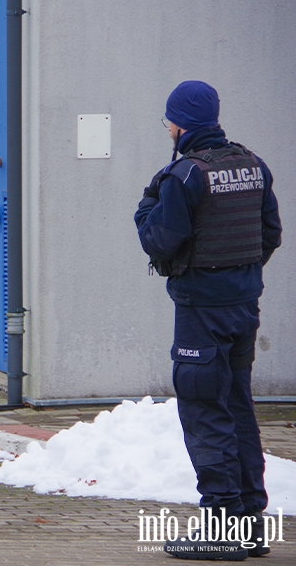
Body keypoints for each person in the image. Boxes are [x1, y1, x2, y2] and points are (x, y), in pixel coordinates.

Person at [135, 81, 282, 560]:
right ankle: (250, 524)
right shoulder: (253, 166)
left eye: (169, 123)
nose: (169, 130)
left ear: (180, 125)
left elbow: (160, 241)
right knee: (237, 406)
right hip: (244, 306)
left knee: (204, 409)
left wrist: (145, 206)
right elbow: (270, 234)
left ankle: (221, 526)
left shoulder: (184, 175)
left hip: (201, 311)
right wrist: (239, 276)